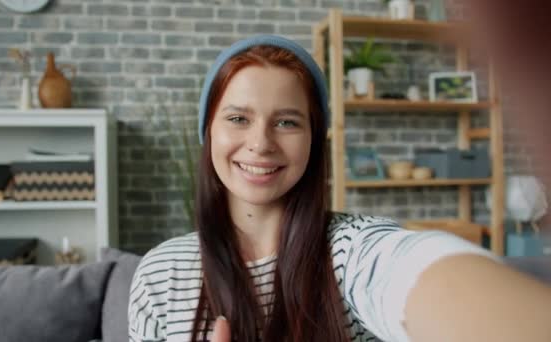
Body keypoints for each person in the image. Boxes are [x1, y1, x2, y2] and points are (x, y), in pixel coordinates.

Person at [129, 35, 551, 342]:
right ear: (208, 132)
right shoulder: (158, 275)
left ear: (315, 140)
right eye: (238, 118)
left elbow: (409, 270)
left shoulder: (353, 252)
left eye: (287, 121)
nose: (260, 142)